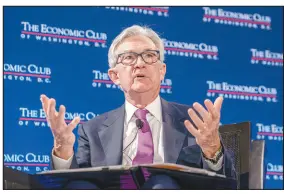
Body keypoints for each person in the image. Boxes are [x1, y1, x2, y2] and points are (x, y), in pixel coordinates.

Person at [40, 25, 236, 189]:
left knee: (162, 183)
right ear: (114, 76)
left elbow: (224, 184)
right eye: (129, 58)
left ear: (162, 71)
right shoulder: (92, 130)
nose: (140, 64)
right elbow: (75, 183)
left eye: (149, 56)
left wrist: (212, 149)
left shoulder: (195, 123)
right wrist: (63, 149)